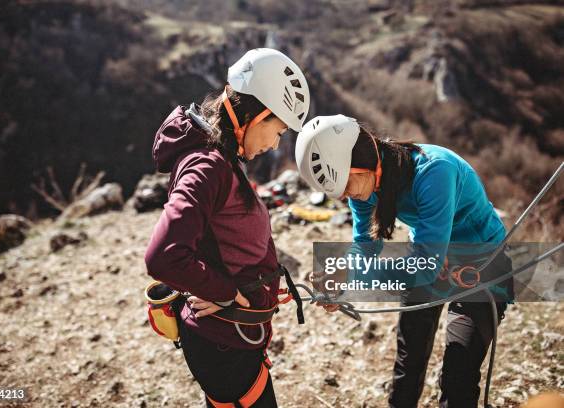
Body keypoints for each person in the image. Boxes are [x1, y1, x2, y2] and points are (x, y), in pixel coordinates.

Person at [295, 115, 513, 408]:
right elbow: (365, 245)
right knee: (408, 360)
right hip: (430, 259)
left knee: (458, 371)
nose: (346, 195)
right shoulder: (365, 185)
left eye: (345, 184)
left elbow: (426, 266)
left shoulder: (435, 171)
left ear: (363, 161)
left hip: (482, 265)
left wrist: (354, 280)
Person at [144, 48, 310, 407]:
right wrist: (226, 292)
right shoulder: (208, 166)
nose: (274, 144)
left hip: (228, 338)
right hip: (225, 343)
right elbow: (163, 257)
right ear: (258, 115)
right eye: (278, 131)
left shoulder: (222, 156)